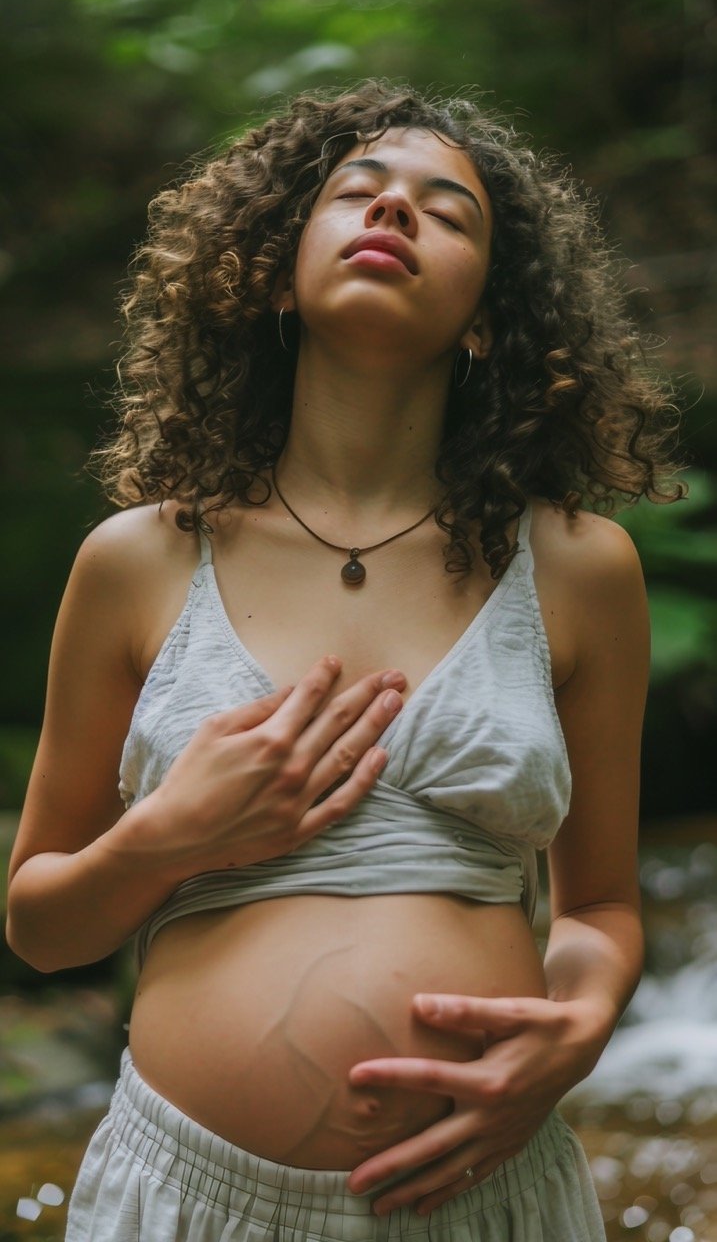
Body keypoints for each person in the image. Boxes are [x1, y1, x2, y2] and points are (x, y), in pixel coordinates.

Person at [6, 80, 682, 1241]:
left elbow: (604, 902)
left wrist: (577, 1026)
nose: (396, 214)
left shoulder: (578, 569)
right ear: (275, 271)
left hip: (485, 1202)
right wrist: (171, 835)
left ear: (488, 316)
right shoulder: (140, 558)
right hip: (183, 1199)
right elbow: (41, 921)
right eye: (357, 194)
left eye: (447, 211)